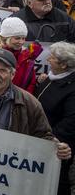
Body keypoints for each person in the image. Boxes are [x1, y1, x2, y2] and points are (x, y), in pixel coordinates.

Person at [36, 42, 75, 195]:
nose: (48, 60)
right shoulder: (52, 77)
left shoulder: (72, 87)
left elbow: (70, 122)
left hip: (58, 146)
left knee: (58, 180)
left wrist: (49, 140)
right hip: (41, 138)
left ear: (63, 65)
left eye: (51, 58)